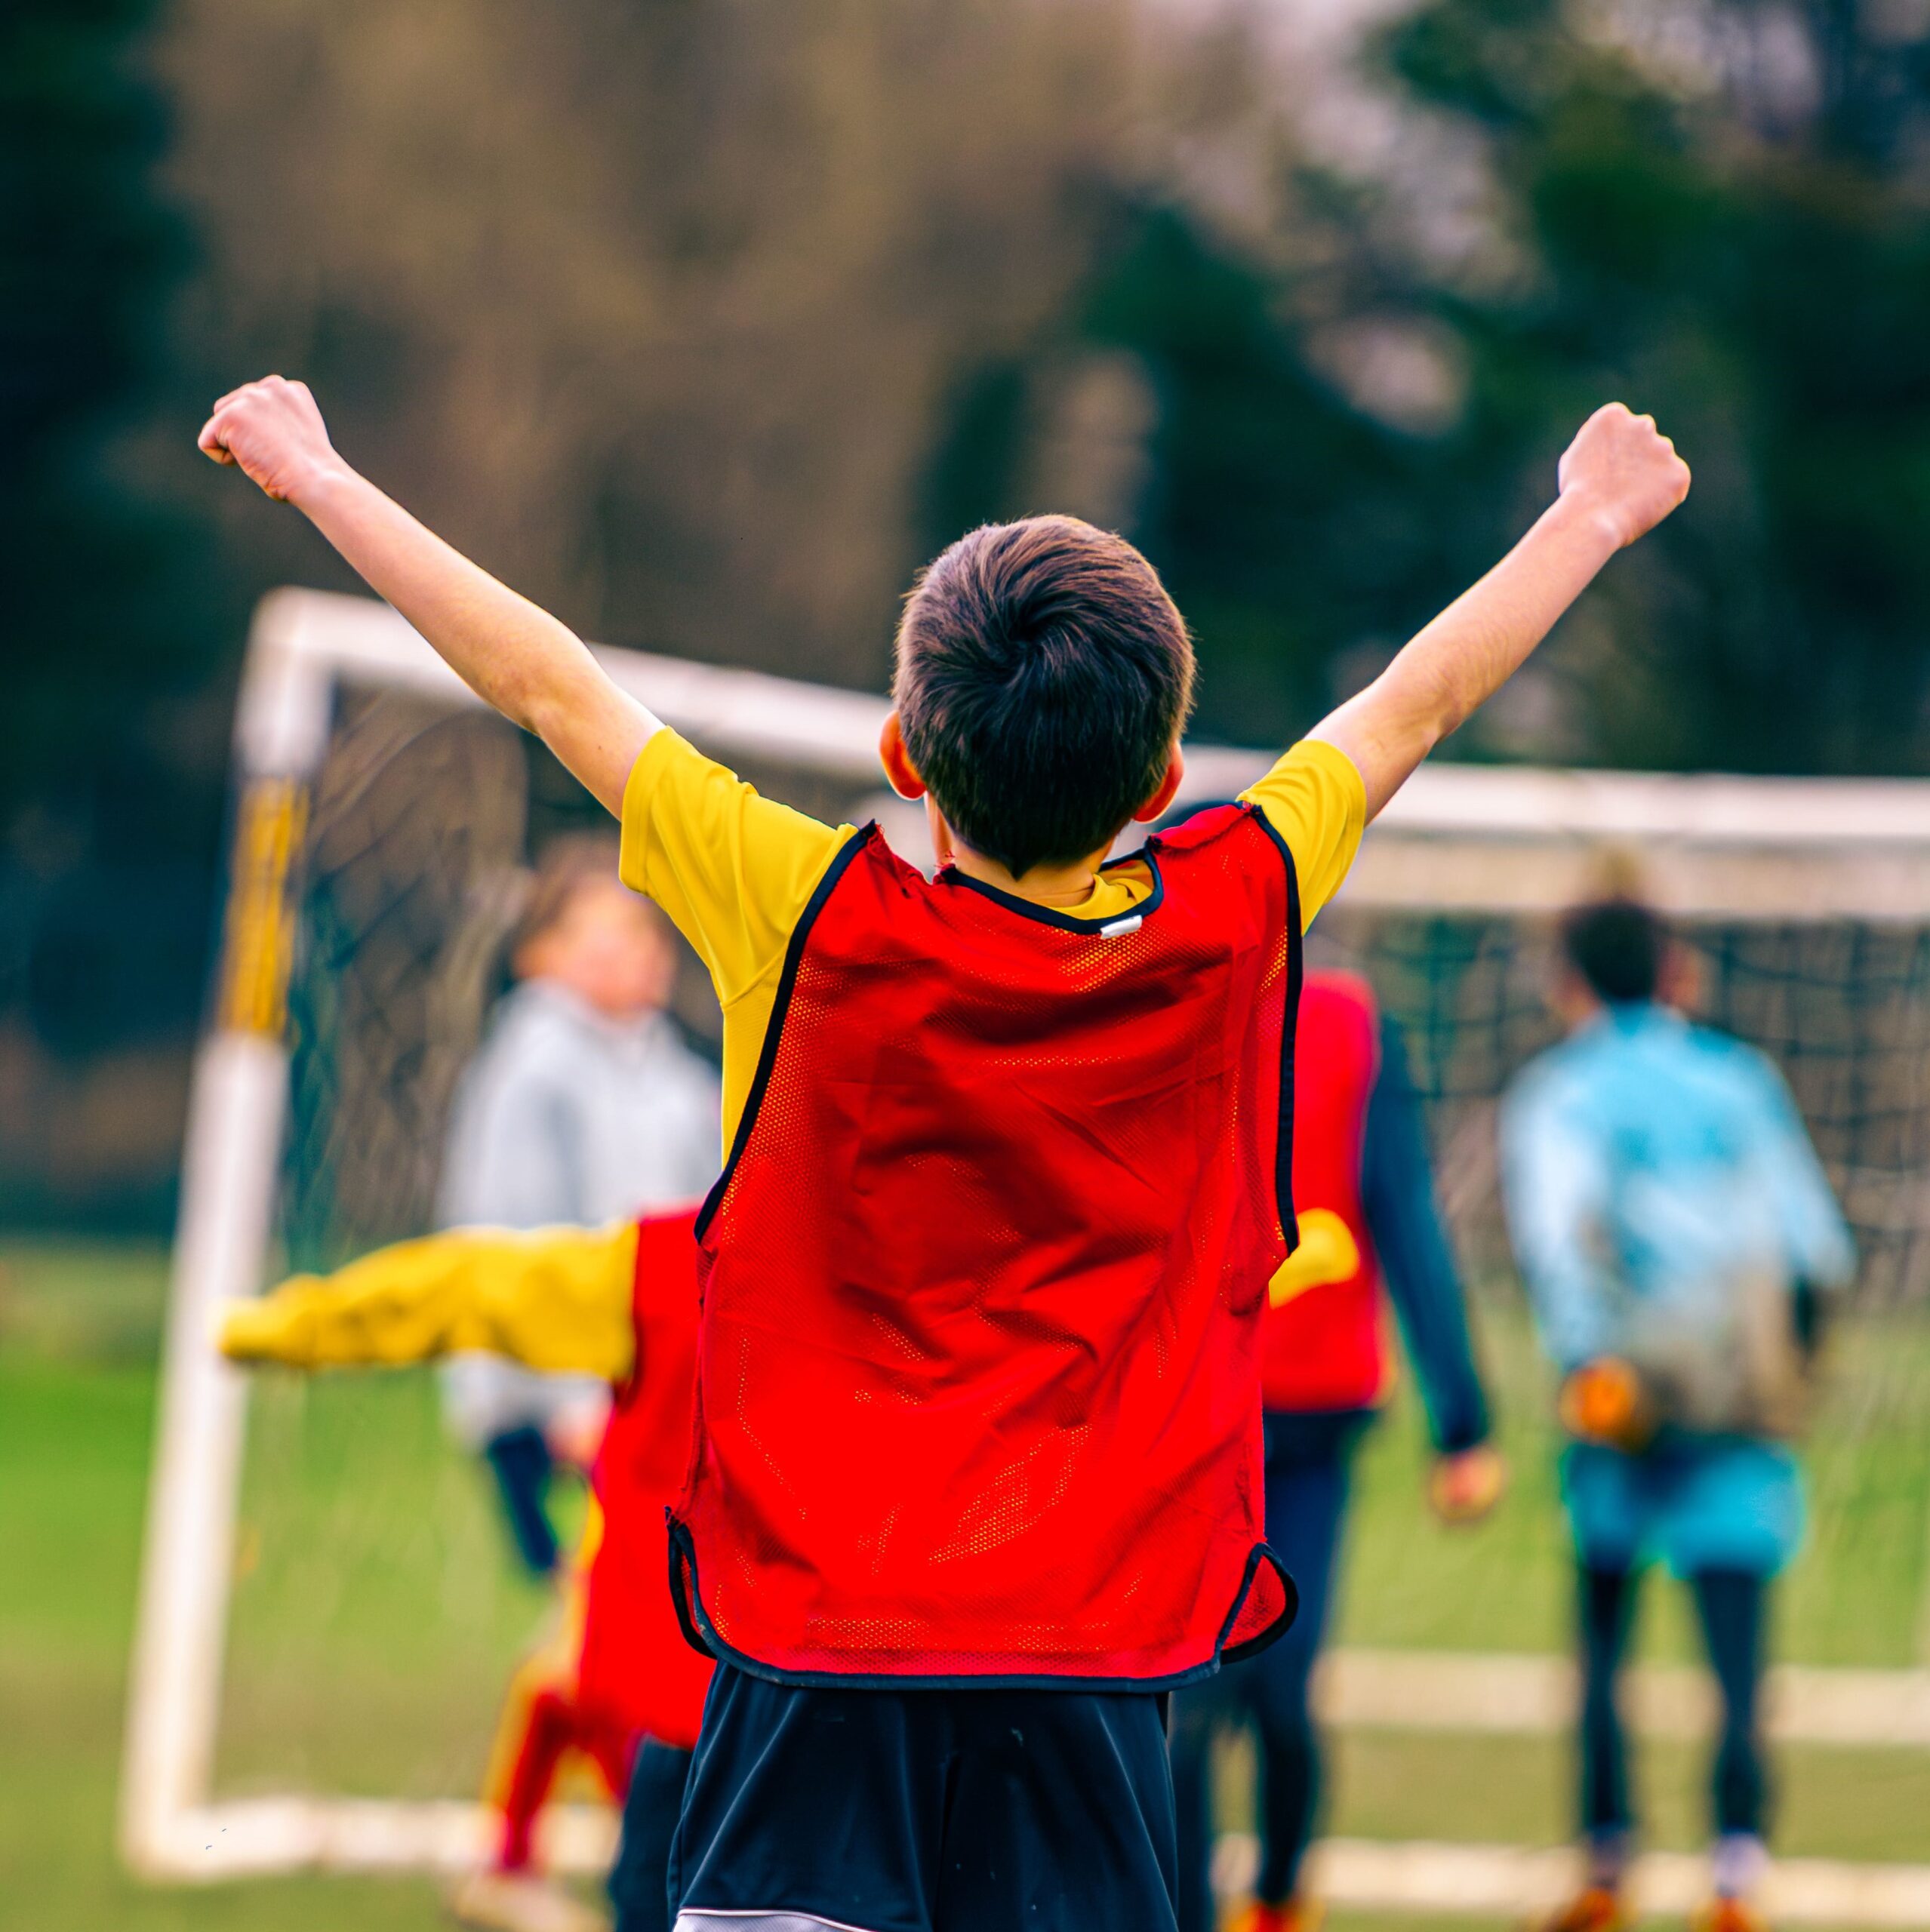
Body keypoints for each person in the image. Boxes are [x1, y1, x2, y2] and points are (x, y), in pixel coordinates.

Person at [200, 372, 1689, 1932]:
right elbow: (1416, 705)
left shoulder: (803, 911)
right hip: (1096, 1671)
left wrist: (319, 474)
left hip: (816, 1661)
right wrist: (1586, 511)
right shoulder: (1240, 900)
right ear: (1165, 779)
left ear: (908, 754)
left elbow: (552, 688)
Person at [1500, 892, 1855, 1932]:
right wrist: (1789, 1368)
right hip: (1737, 1402)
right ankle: (1737, 1869)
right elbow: (1815, 1248)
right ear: (1671, 972)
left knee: (1604, 1638)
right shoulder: (1740, 1080)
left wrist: (1587, 1363)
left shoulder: (1557, 1092)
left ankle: (1606, 1861)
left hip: (1622, 1399)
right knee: (1736, 1647)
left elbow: (1558, 1243)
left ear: (1568, 981)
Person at [221, 1210, 713, 1932]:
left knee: (580, 1710)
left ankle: (509, 1864)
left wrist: (297, 1326)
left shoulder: (675, 1264)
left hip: (694, 1710)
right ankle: (509, 1862)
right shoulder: (905, 1264)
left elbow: (460, 1291)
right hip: (867, 1712)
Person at [1171, 968, 1504, 1932]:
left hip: (1312, 1418)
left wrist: (1463, 1417)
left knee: (1279, 1688)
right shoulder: (1158, 996)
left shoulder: (1352, 1026)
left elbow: (1403, 1212)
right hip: (1189, 1422)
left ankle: (1277, 1897)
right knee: (1186, 1701)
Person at [439, 833, 720, 1580]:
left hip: (652, 1385)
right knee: (602, 1605)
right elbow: (518, 1227)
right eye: (597, 931)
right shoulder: (537, 1064)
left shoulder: (672, 1075)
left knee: (649, 1602)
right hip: (559, 1397)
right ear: (540, 953)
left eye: (637, 930)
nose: (624, 950)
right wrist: (563, 1395)